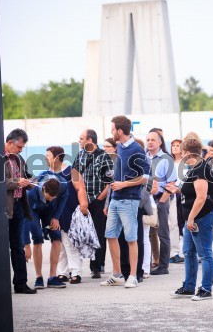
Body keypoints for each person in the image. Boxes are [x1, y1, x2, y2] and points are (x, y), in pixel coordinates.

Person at [101, 116, 151, 288]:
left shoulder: (136, 148)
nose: (111, 132)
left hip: (129, 200)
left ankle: (133, 276)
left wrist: (124, 184)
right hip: (115, 199)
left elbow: (145, 178)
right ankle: (117, 275)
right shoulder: (120, 147)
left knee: (131, 239)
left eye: (113, 129)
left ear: (120, 131)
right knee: (110, 235)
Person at [167, 138, 213, 301]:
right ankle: (189, 287)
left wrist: (191, 218)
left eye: (182, 152)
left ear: (188, 153)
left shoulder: (200, 169)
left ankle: (206, 289)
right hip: (195, 217)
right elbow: (192, 191)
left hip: (201, 217)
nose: (180, 155)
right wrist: (177, 189)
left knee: (205, 254)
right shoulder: (195, 167)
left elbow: (201, 197)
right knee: (189, 252)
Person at [73, 129, 114, 278]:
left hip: (97, 200)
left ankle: (97, 266)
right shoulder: (80, 155)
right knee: (82, 233)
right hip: (82, 199)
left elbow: (109, 180)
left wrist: (100, 198)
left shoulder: (104, 156)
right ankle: (78, 267)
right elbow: (74, 173)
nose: (79, 140)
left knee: (98, 233)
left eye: (81, 138)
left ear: (90, 140)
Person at [4, 129, 37, 294]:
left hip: (17, 207)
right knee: (1, 246)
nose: (21, 150)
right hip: (2, 208)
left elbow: (26, 176)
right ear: (9, 142)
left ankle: (20, 283)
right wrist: (18, 181)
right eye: (19, 146)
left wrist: (30, 182)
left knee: (17, 246)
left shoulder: (19, 159)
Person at [52, 146, 89, 285]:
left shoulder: (71, 171)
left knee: (71, 243)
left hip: (69, 211)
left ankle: (76, 272)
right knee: (59, 244)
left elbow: (80, 188)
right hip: (55, 214)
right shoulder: (49, 173)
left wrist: (83, 205)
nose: (45, 158)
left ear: (56, 157)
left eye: (48, 155)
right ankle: (63, 272)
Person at [25, 177, 66, 288]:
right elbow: (25, 218)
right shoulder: (31, 192)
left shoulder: (62, 185)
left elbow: (63, 198)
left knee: (57, 236)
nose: (52, 199)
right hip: (33, 211)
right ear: (43, 189)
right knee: (37, 237)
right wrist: (26, 244)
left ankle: (52, 277)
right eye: (49, 197)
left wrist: (56, 217)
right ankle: (39, 277)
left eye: (54, 197)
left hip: (50, 211)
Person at [146, 131, 177, 275]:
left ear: (160, 142)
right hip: (147, 199)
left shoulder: (166, 159)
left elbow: (171, 183)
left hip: (161, 198)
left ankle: (164, 266)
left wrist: (162, 202)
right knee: (149, 232)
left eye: (153, 140)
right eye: (148, 140)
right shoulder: (144, 158)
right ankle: (153, 261)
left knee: (163, 232)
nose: (150, 142)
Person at [169, 138, 185, 264]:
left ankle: (184, 248)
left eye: (178, 145)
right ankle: (174, 251)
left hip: (183, 193)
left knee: (183, 222)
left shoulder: (185, 163)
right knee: (174, 223)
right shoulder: (169, 162)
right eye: (173, 145)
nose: (175, 147)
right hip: (172, 195)